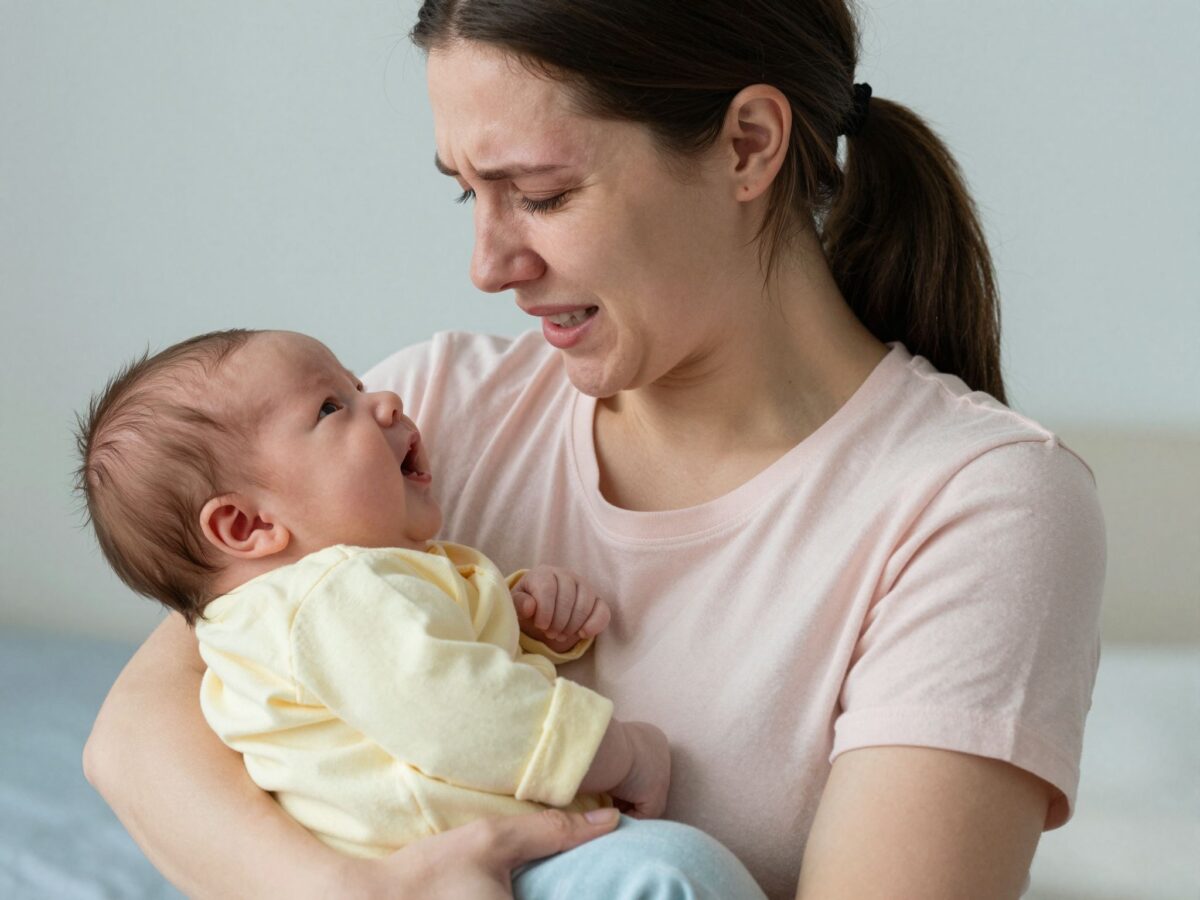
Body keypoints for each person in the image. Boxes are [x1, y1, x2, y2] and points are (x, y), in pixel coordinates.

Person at [81, 1, 1106, 897]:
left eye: (542, 194)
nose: (487, 263)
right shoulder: (426, 415)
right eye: (464, 191)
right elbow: (136, 739)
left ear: (749, 144)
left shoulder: (978, 505)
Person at [75, 327, 767, 899]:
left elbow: (412, 678)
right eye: (330, 407)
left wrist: (521, 619)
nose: (384, 400)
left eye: (355, 382)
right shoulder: (329, 595)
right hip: (478, 870)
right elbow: (459, 713)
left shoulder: (289, 613)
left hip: (457, 861)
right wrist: (618, 753)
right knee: (676, 874)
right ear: (246, 527)